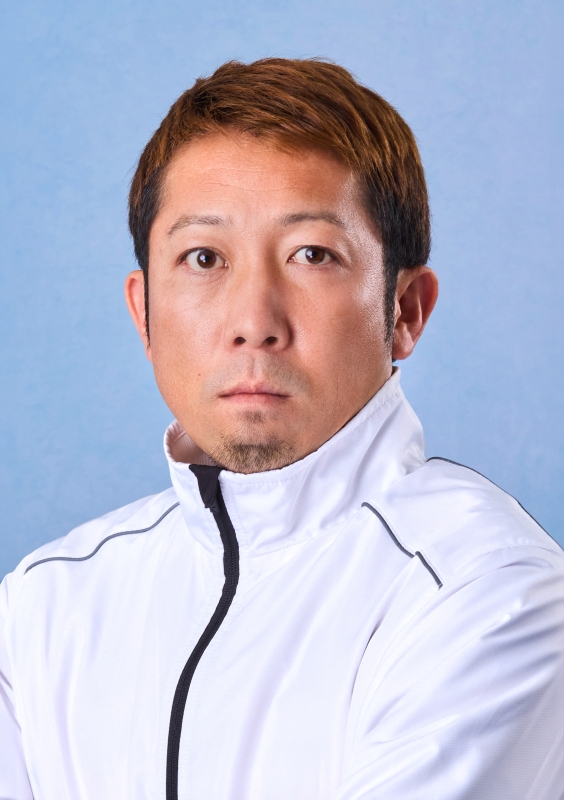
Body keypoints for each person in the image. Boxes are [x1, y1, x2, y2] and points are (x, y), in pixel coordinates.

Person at [0, 58, 562, 800]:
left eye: (312, 255)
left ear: (404, 311)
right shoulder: (42, 608)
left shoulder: (489, 590)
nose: (253, 322)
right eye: (203, 258)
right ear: (144, 313)